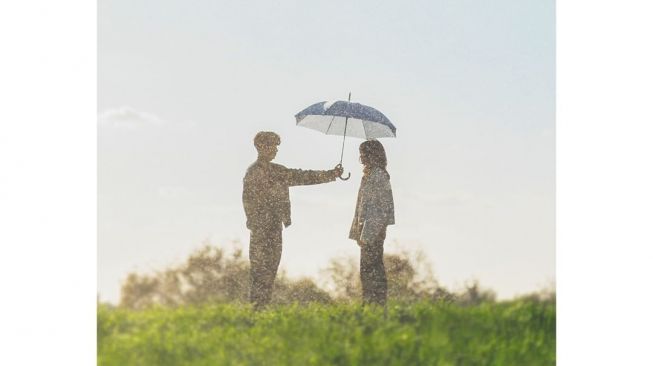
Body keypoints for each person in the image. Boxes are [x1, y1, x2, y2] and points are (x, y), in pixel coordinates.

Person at [242, 131, 344, 309]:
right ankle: (256, 310)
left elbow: (303, 176)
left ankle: (261, 309)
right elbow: (248, 203)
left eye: (276, 146)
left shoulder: (278, 171)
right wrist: (257, 224)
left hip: (274, 228)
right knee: (259, 273)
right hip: (261, 231)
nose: (275, 150)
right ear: (260, 147)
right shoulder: (253, 173)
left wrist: (332, 174)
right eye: (272, 146)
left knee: (270, 271)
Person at [349, 140, 395, 306]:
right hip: (369, 232)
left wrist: (366, 235)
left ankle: (375, 305)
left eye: (363, 153)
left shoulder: (378, 176)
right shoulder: (370, 176)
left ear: (372, 155)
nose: (361, 157)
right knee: (368, 271)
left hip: (373, 232)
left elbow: (378, 210)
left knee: (372, 270)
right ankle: (370, 304)